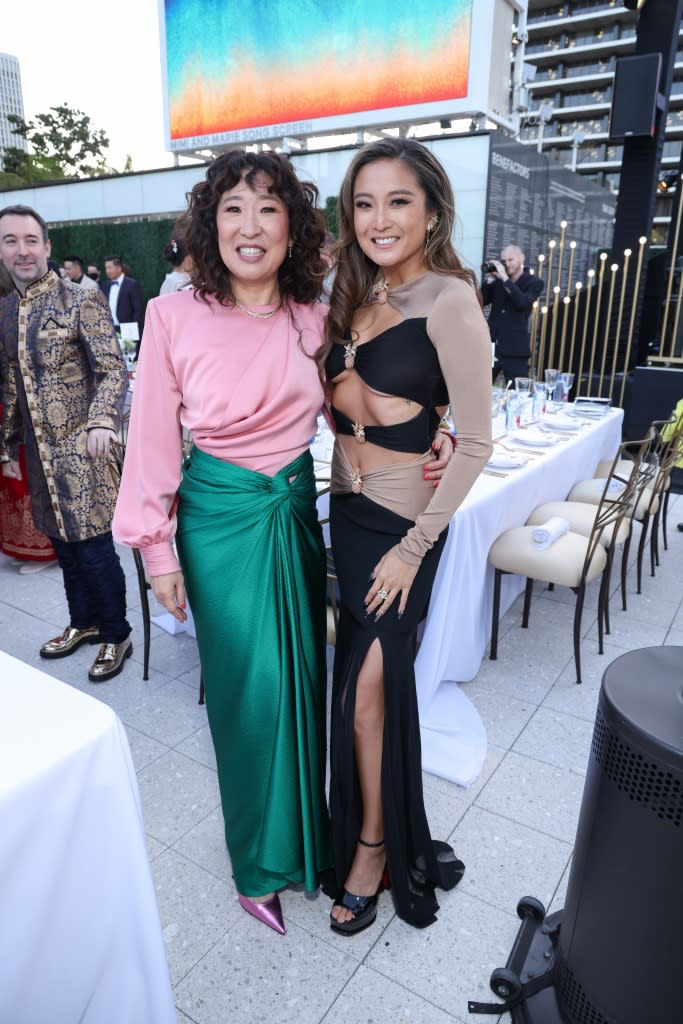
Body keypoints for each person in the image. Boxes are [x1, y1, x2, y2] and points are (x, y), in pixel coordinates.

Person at [112, 150, 336, 937]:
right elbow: (150, 445)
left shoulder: (314, 313)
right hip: (217, 522)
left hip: (294, 515)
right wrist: (157, 552)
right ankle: (257, 864)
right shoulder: (174, 315)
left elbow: (350, 412)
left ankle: (304, 844)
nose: (250, 225)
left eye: (268, 208)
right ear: (211, 224)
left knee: (304, 681)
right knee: (250, 697)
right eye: (233, 208)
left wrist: (429, 439)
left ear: (292, 226)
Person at [320, 138, 493, 934]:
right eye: (364, 202)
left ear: (430, 211)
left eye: (397, 201)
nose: (378, 218)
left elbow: (479, 439)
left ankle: (374, 844)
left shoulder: (451, 299)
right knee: (364, 689)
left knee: (365, 696)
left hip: (402, 531)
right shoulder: (349, 296)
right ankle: (370, 823)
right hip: (348, 515)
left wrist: (413, 546)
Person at [0, 204, 132, 681]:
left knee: (94, 549)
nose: (22, 250)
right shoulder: (7, 309)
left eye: (30, 240)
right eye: (10, 241)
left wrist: (101, 423)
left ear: (47, 247)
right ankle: (84, 623)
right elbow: (12, 383)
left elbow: (113, 368)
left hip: (85, 451)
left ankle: (116, 634)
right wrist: (6, 447)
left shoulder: (80, 299)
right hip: (38, 456)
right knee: (63, 546)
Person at [0, 261, 57, 574]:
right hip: (10, 403)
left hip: (24, 407)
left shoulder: (20, 311)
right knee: (13, 481)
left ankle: (44, 550)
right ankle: (25, 547)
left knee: (26, 478)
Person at [481, 244, 544, 383]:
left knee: (518, 394)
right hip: (492, 346)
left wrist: (504, 278)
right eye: (504, 261)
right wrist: (488, 282)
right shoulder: (497, 281)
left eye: (511, 260)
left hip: (515, 350)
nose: (507, 264)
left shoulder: (534, 282)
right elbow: (479, 302)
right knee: (481, 389)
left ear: (522, 258)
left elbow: (522, 302)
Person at [102, 255, 144, 356]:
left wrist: (134, 329)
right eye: (106, 268)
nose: (107, 271)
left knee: (129, 359)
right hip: (111, 329)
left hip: (128, 329)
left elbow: (137, 309)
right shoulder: (105, 285)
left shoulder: (131, 284)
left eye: (110, 268)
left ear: (119, 268)